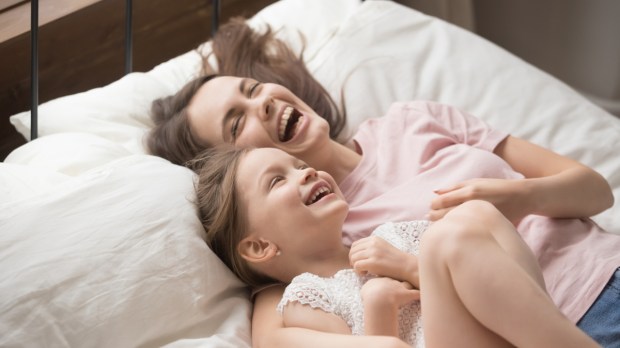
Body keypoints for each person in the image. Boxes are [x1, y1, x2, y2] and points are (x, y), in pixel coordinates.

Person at [147, 20, 620, 347]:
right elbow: (280, 332)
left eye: (252, 90)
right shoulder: (315, 236)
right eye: (236, 124)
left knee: (472, 219)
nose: (262, 104)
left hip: (608, 266)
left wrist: (520, 196)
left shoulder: (413, 119)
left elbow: (595, 190)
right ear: (233, 163)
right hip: (562, 321)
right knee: (457, 235)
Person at [191, 145, 599, 348]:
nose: (306, 170)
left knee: (474, 215)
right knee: (451, 236)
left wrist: (407, 267)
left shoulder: (392, 238)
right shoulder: (306, 300)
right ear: (260, 246)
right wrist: (378, 304)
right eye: (277, 181)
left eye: (298, 165)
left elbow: (481, 287)